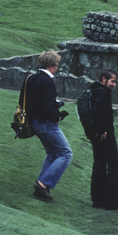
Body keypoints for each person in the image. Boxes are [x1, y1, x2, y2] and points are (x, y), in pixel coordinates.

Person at [25, 50, 72, 202]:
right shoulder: (48, 82)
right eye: (56, 65)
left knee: (52, 154)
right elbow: (46, 107)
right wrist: (57, 116)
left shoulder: (32, 78)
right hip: (47, 124)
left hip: (35, 123)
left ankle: (42, 186)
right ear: (51, 66)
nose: (57, 68)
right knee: (66, 153)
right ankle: (43, 183)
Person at [87, 69, 118, 210]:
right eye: (112, 81)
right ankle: (112, 203)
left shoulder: (94, 90)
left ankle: (99, 201)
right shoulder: (102, 93)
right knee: (114, 167)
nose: (114, 85)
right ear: (103, 79)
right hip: (105, 135)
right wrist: (103, 130)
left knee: (99, 165)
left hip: (97, 135)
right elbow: (98, 112)